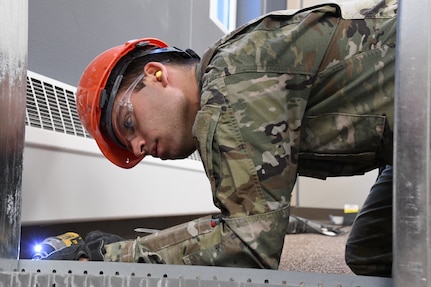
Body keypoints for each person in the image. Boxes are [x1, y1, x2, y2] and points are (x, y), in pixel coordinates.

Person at [55, 0, 398, 275]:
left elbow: (247, 248)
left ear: (156, 75)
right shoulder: (228, 79)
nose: (138, 147)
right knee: (372, 251)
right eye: (127, 146)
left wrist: (104, 261)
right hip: (406, 144)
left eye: (128, 123)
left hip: (420, 108)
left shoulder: (230, 81)